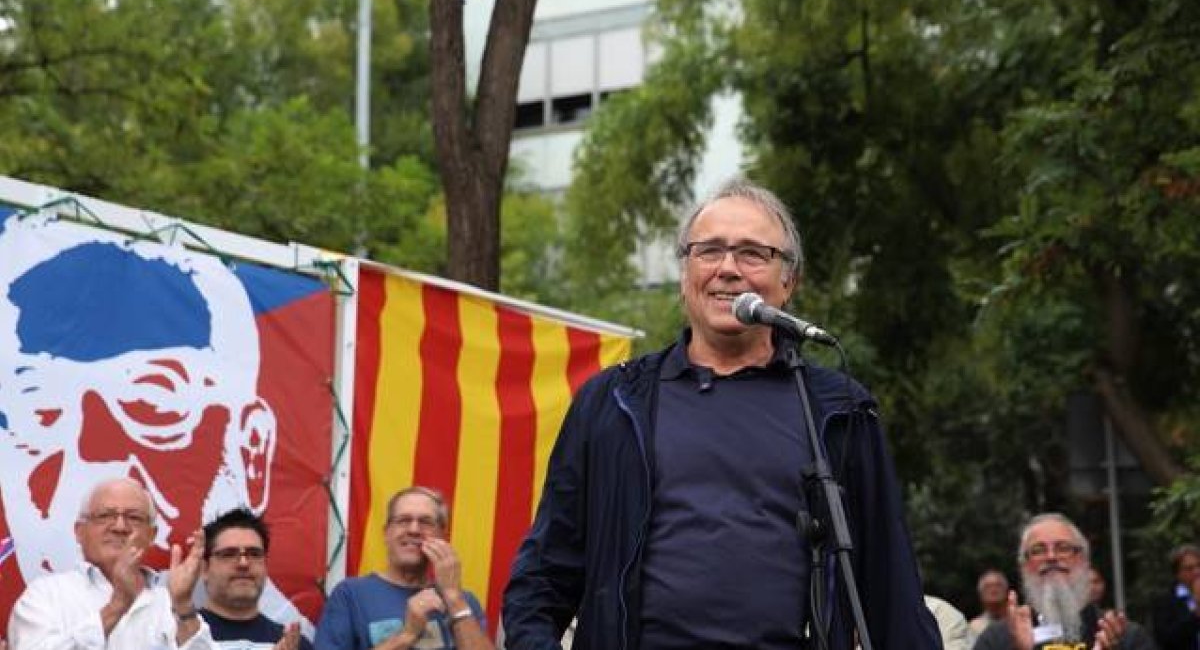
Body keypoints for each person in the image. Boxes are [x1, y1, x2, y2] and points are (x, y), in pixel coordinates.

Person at [502, 179, 940, 649]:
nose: (728, 269)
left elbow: (890, 589)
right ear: (685, 273)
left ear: (789, 281)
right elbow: (543, 578)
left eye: (753, 253)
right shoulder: (612, 403)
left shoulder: (838, 410)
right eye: (709, 251)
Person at [0, 210, 304, 627]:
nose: (93, 453)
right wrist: (116, 607)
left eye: (152, 402)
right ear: (79, 530)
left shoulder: (183, 609)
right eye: (42, 409)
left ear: (250, 448)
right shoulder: (42, 601)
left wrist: (179, 609)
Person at [6, 478, 215, 648]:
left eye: (134, 518)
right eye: (105, 516)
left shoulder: (168, 602)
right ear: (79, 531)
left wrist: (184, 606)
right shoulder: (46, 594)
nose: (120, 527)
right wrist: (117, 605)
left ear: (152, 535)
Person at [315, 487, 492, 649]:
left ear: (442, 535)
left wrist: (454, 600)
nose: (414, 530)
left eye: (426, 522)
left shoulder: (464, 601)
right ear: (386, 533)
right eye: (403, 520)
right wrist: (406, 635)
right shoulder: (350, 594)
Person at [974, 512, 1154, 650]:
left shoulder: (1125, 638)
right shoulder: (995, 641)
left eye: (1063, 548)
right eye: (1038, 550)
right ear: (1023, 566)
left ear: (1084, 560)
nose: (1051, 557)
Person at [200, 508, 312, 649]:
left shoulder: (295, 645)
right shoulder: (174, 638)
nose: (243, 563)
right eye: (228, 554)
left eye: (254, 554)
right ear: (204, 569)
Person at [1150, 543, 1200, 650]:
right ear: (1177, 573)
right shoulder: (1165, 600)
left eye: (1199, 565)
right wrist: (1196, 614)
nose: (1197, 572)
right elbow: (1165, 639)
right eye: (1189, 568)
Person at [971, 570, 1012, 643]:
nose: (993, 590)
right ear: (981, 595)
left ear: (1007, 592)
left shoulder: (1019, 621)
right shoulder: (974, 627)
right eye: (988, 586)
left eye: (998, 585)